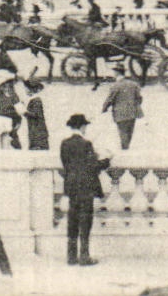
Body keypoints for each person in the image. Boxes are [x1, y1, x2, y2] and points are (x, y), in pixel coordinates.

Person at [60, 113, 110, 266]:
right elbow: (93, 167)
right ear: (82, 127)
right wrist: (107, 160)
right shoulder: (86, 144)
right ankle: (84, 256)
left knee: (72, 220)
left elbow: (66, 165)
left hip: (71, 186)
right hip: (86, 187)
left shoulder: (64, 144)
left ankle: (71, 257)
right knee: (85, 221)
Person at [101, 65, 143, 150]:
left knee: (123, 132)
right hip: (132, 112)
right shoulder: (134, 84)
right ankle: (126, 148)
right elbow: (139, 98)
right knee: (129, 132)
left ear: (117, 73)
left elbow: (110, 99)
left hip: (120, 113)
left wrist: (104, 108)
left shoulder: (115, 85)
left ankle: (124, 150)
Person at [0, 71, 23, 149]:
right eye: (6, 84)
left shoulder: (13, 96)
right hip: (0, 133)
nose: (9, 86)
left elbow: (19, 111)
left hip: (13, 132)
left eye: (11, 84)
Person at [22, 78, 50, 150]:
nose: (25, 90)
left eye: (26, 88)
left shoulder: (36, 100)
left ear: (31, 89)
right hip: (35, 130)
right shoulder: (35, 100)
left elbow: (35, 114)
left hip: (37, 132)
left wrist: (23, 111)